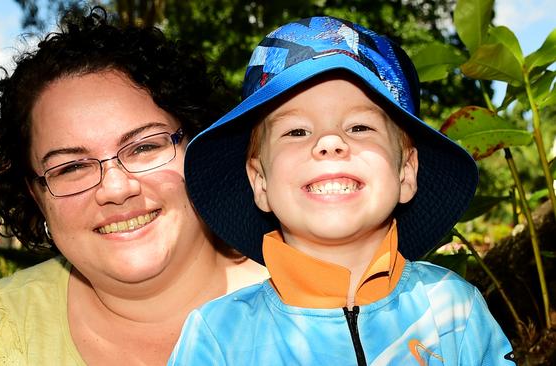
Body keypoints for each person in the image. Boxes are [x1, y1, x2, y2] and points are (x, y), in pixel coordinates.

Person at [169, 16, 515, 365]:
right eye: (297, 132)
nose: (330, 143)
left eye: (360, 126)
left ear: (406, 172)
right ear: (260, 181)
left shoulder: (453, 310)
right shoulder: (220, 337)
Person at [0, 7, 266, 366]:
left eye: (144, 146)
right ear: (36, 196)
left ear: (200, 146)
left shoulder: (322, 300)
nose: (115, 188)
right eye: (71, 167)